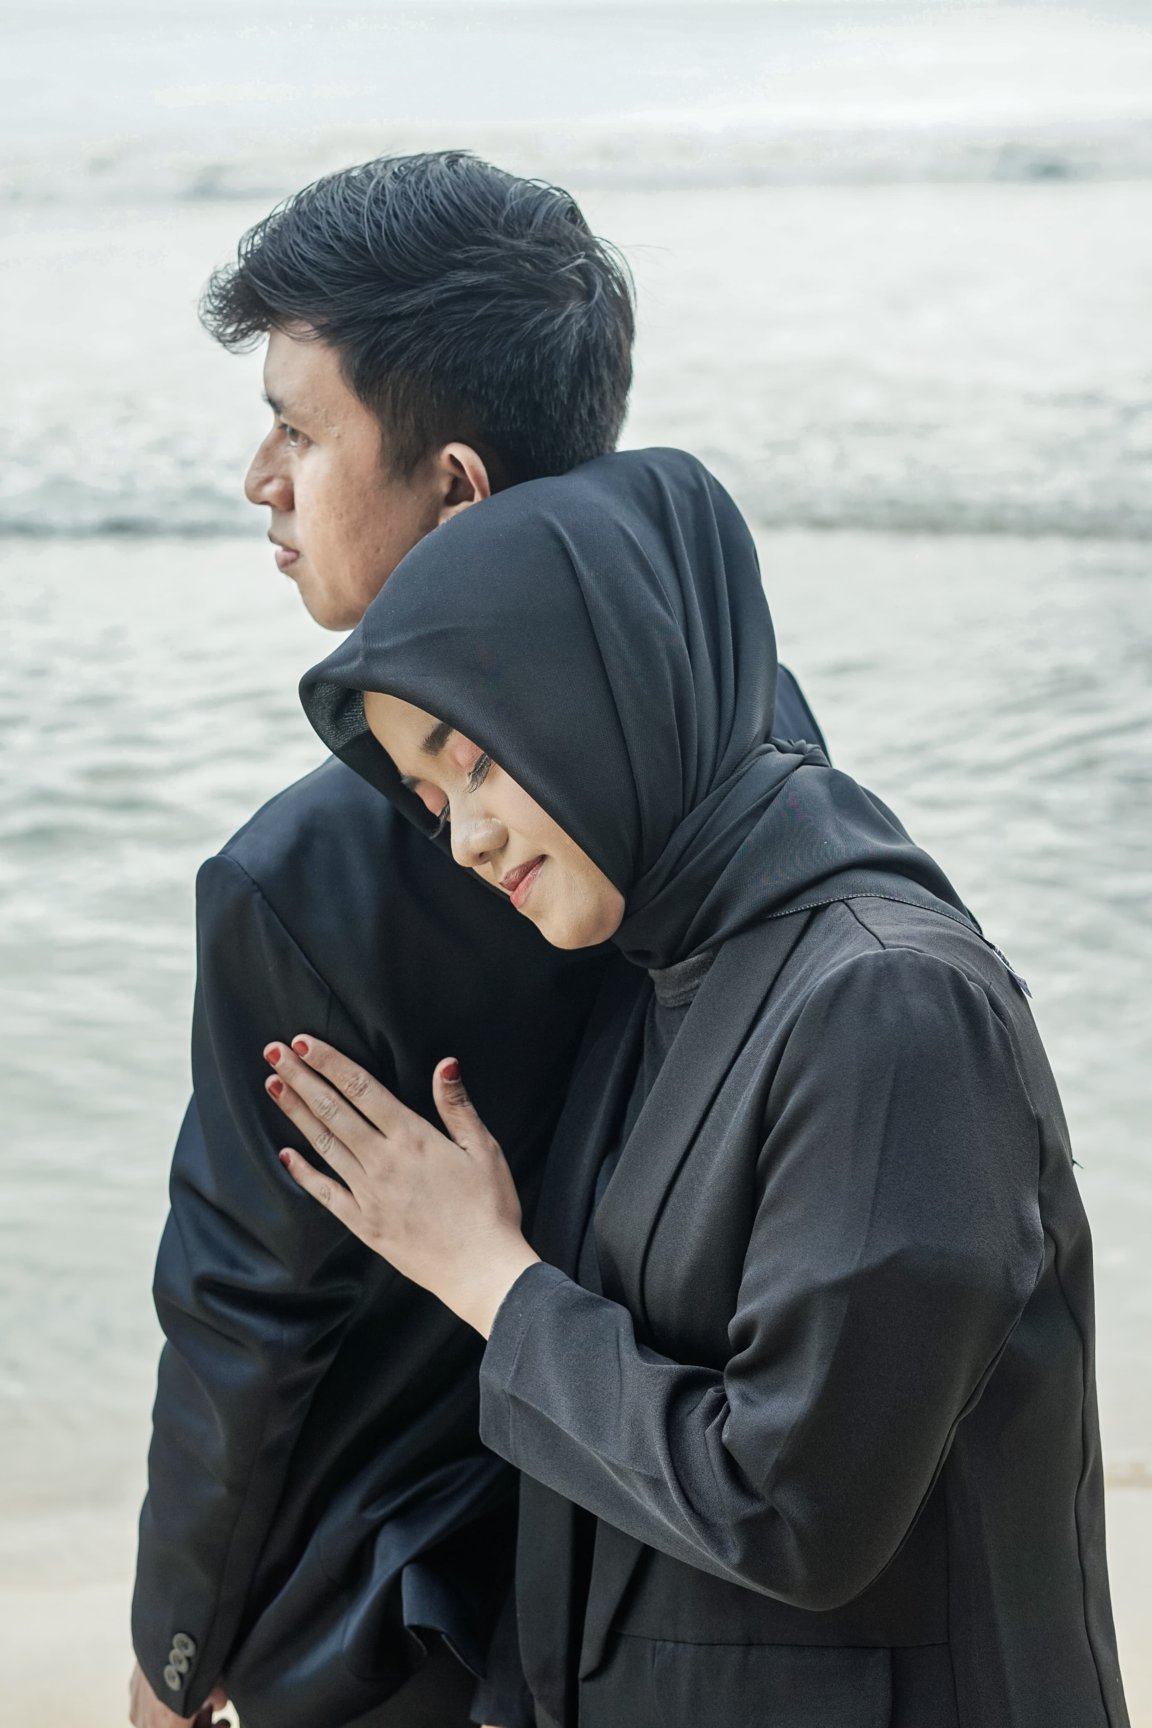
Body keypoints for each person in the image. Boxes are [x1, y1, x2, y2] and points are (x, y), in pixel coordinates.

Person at [266, 446, 1130, 1728]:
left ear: (610, 680)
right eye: (433, 801)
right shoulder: (665, 975)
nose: (468, 838)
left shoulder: (891, 1004)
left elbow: (794, 1508)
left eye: (478, 758)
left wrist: (486, 1275)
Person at [130, 152, 827, 1728]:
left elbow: (247, 1322)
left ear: (454, 488)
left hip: (394, 1631)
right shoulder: (746, 739)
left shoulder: (300, 881)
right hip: (682, 1596)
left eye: (301, 431)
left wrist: (172, 1647)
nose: (260, 477)